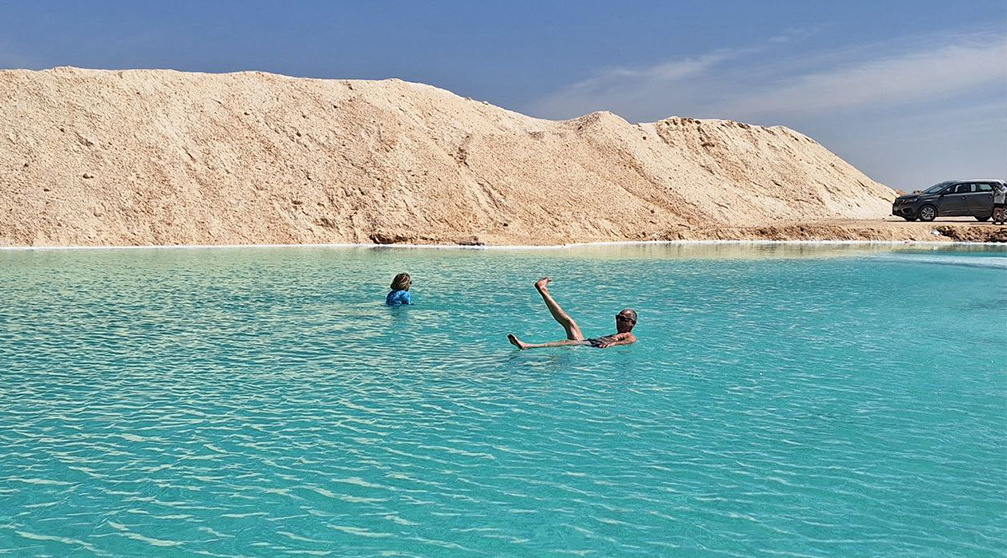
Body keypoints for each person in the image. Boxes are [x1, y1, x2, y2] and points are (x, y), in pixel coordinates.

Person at [507, 277, 637, 349]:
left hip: (591, 345)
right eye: (617, 318)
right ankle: (542, 289)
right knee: (569, 322)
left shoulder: (628, 335)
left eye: (622, 319)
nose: (618, 321)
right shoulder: (618, 334)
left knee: (567, 342)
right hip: (588, 342)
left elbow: (630, 340)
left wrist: (614, 343)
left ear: (632, 323)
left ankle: (527, 346)